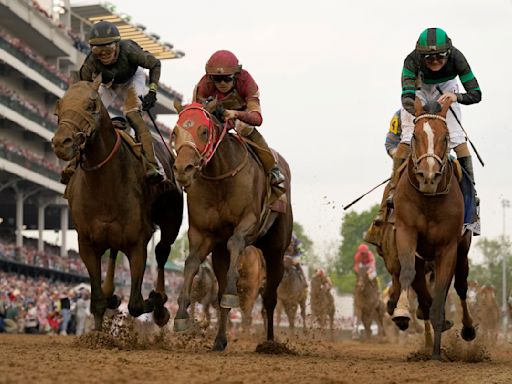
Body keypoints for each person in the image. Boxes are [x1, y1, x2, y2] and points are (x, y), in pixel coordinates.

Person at [365, 28, 481, 245]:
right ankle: (390, 195)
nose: (435, 61)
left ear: (448, 53)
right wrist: (422, 111)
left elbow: (476, 95)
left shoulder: (458, 58)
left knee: (458, 140)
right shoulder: (411, 61)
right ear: (421, 56)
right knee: (408, 137)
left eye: (440, 57)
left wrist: (455, 97)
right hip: (418, 92)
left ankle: (472, 200)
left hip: (447, 90)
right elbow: (406, 98)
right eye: (429, 58)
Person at [60, 20, 163, 184]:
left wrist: (152, 91)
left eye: (108, 49)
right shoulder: (91, 62)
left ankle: (151, 164)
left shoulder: (130, 50)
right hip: (109, 84)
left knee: (132, 115)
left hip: (132, 79)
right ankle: (73, 164)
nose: (104, 55)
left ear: (117, 45)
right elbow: (83, 89)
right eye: (98, 51)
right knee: (88, 116)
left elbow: (155, 64)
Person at [193, 50, 285, 190]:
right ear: (210, 78)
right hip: (215, 119)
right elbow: (196, 116)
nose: (222, 83)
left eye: (227, 78)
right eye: (217, 79)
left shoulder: (247, 81)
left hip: (241, 116)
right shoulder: (204, 84)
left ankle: (272, 169)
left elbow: (257, 119)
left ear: (236, 75)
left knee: (245, 128)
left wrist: (235, 114)